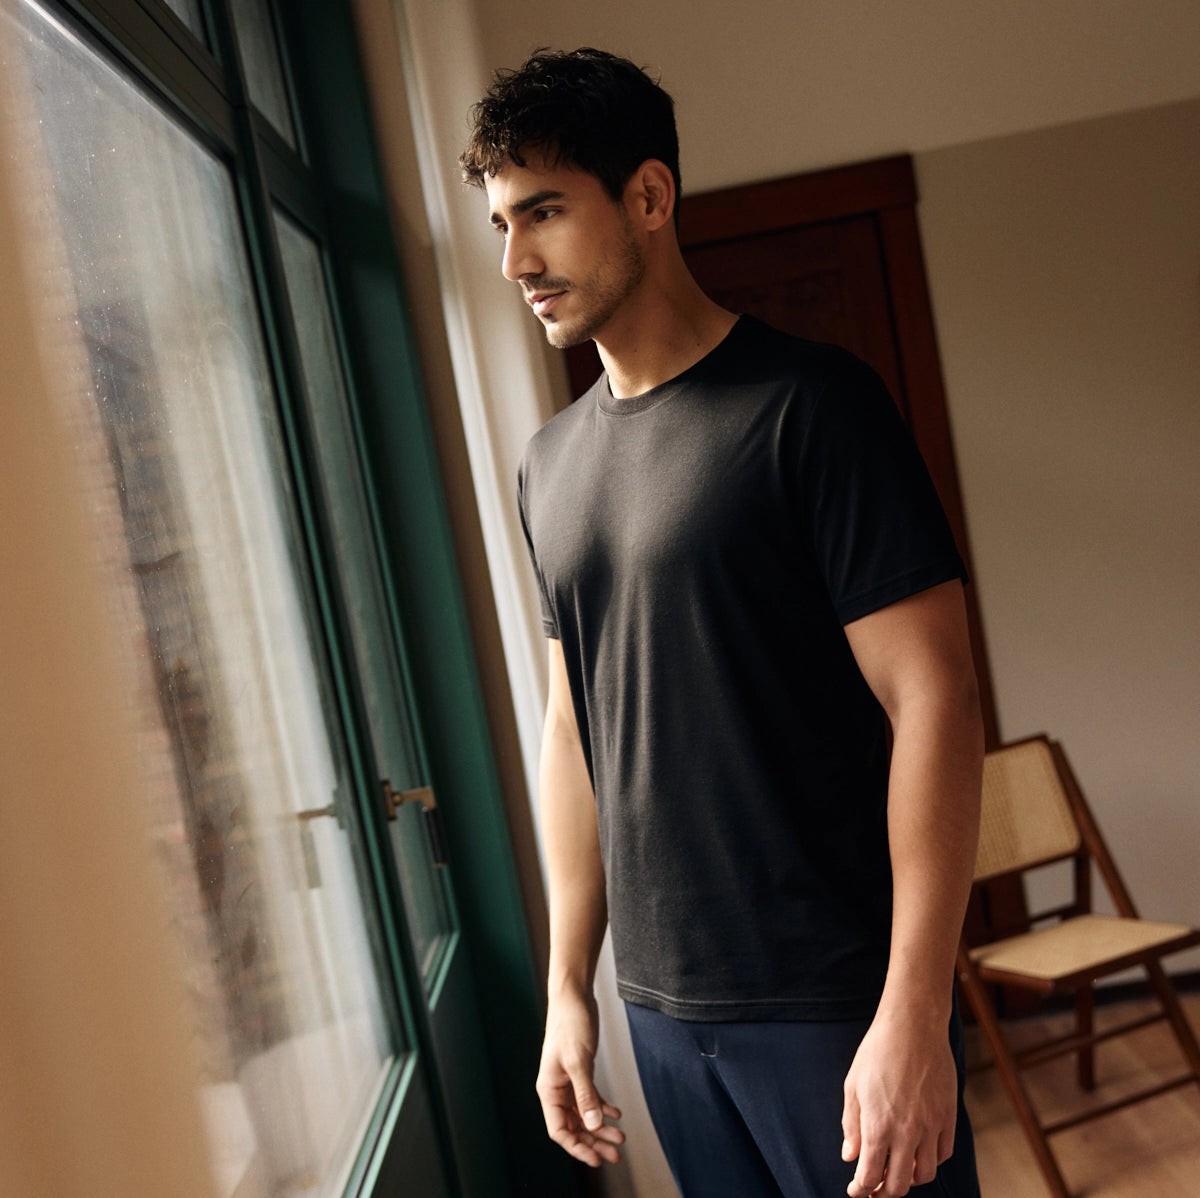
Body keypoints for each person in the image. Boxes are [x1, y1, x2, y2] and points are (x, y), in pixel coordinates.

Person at [461, 48, 984, 1198]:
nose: (516, 260)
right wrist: (568, 989)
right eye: (502, 222)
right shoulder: (550, 465)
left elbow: (933, 696)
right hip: (662, 1011)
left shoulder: (813, 406)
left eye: (543, 212)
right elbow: (571, 730)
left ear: (648, 197)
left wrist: (916, 1007)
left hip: (834, 999)